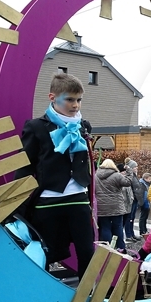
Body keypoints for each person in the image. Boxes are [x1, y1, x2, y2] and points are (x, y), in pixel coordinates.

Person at [15, 73, 95, 278]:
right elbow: (26, 167)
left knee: (87, 250)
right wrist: (15, 204)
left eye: (78, 100)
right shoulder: (35, 127)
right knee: (47, 252)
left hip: (78, 197)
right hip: (48, 200)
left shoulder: (82, 126)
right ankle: (41, 297)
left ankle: (88, 298)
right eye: (69, 99)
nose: (75, 105)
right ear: (53, 97)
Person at [94, 158, 133, 252]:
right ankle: (121, 248)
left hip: (101, 206)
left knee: (105, 227)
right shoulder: (117, 175)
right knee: (118, 227)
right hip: (116, 206)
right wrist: (130, 172)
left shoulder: (96, 176)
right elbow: (128, 183)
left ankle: (107, 249)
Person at [126, 159, 146, 242]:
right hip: (131, 199)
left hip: (135, 199)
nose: (136, 168)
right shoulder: (130, 176)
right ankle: (128, 234)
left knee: (132, 217)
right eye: (135, 167)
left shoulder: (134, 176)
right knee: (129, 217)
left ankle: (132, 234)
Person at [138, 171, 151, 237]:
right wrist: (142, 203)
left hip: (146, 203)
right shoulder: (142, 184)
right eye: (149, 178)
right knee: (143, 217)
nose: (150, 180)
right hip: (144, 203)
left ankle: (144, 229)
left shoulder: (146, 184)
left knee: (145, 217)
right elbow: (142, 195)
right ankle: (142, 231)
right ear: (145, 178)